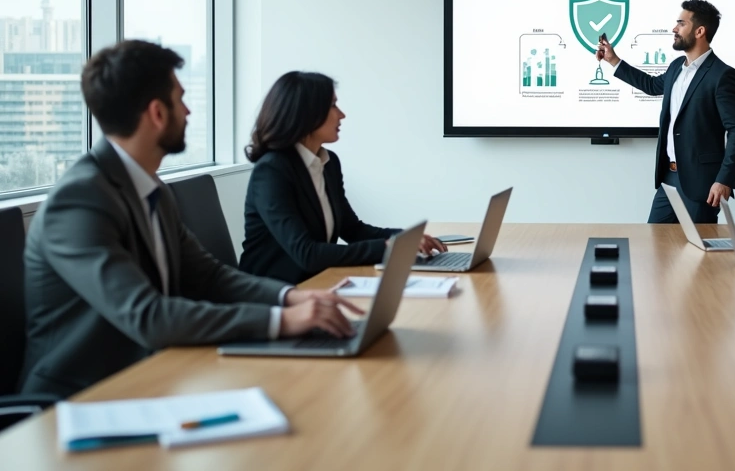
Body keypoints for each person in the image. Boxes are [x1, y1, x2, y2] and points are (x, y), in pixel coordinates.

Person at [20, 41, 362, 398]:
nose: (188, 111)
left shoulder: (152, 189)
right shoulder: (80, 201)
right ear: (157, 113)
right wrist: (281, 321)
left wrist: (290, 298)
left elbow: (210, 277)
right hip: (77, 399)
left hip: (151, 376)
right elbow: (149, 316)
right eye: (180, 99)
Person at [239, 72, 445, 284]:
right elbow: (307, 254)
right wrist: (386, 248)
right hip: (274, 294)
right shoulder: (272, 171)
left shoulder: (328, 163)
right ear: (306, 113)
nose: (342, 115)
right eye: (333, 105)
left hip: (317, 283)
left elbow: (353, 229)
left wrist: (405, 238)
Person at [596, 0, 735, 223]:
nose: (674, 29)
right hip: (669, 178)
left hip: (702, 183)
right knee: (655, 245)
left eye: (680, 23)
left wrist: (725, 179)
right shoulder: (676, 66)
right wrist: (613, 60)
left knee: (699, 254)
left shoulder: (722, 75)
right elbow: (651, 86)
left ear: (699, 31)